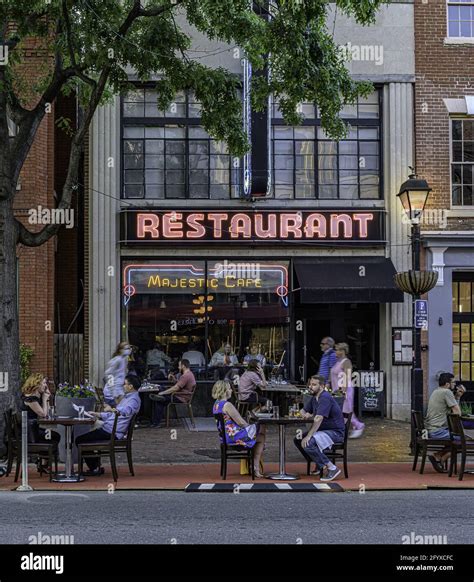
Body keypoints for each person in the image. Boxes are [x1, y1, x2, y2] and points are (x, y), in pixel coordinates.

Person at [75, 375, 141, 476]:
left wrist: (112, 409)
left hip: (112, 432)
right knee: (85, 438)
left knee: (79, 440)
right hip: (108, 428)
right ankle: (95, 467)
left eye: (125, 384)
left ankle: (94, 468)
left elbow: (125, 411)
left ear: (130, 386)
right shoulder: (127, 398)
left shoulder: (134, 400)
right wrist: (98, 414)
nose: (123, 386)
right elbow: (113, 414)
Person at [293, 375, 345, 481]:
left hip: (335, 433)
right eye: (310, 384)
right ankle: (319, 464)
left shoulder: (325, 397)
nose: (310, 387)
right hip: (323, 432)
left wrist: (309, 435)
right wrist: (305, 414)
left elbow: (318, 419)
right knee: (298, 439)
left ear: (321, 386)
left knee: (308, 442)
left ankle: (332, 468)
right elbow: (303, 410)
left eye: (314, 385)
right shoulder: (314, 398)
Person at [212, 380, 266, 478]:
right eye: (229, 388)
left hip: (225, 437)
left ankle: (252, 465)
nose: (231, 391)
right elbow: (241, 422)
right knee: (261, 435)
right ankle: (255, 467)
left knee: (258, 433)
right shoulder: (227, 405)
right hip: (234, 436)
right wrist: (250, 428)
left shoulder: (216, 405)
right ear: (224, 391)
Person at [424, 372, 465, 473]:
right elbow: (456, 412)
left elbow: (451, 407)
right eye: (453, 382)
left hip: (432, 429)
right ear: (447, 384)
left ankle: (438, 456)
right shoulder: (446, 392)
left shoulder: (437, 391)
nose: (455, 385)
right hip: (438, 430)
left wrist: (458, 397)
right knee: (464, 439)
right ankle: (441, 457)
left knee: (459, 438)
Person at [148, 359, 196, 427]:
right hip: (180, 395)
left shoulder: (185, 376)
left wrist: (163, 393)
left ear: (183, 366)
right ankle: (158, 395)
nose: (178, 367)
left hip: (180, 397)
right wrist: (174, 379)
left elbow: (176, 388)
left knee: (158, 401)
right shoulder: (189, 374)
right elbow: (180, 385)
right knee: (161, 391)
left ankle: (156, 423)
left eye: (179, 366)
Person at [331, 342, 365, 439]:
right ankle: (345, 429)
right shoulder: (337, 362)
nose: (335, 352)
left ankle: (358, 426)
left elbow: (347, 376)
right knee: (341, 410)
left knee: (346, 410)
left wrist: (343, 391)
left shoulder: (346, 362)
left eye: (337, 350)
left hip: (345, 389)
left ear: (343, 351)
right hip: (337, 390)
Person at [21, 373, 60, 444]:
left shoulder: (36, 396)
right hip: (30, 433)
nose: (46, 385)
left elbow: (47, 414)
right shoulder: (30, 398)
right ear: (37, 384)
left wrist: (47, 398)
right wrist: (45, 399)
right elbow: (43, 414)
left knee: (55, 436)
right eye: (44, 383)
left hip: (34, 428)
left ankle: (50, 454)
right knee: (55, 436)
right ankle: (47, 453)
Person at [103, 342, 131, 406]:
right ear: (120, 350)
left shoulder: (124, 359)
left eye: (129, 348)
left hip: (119, 391)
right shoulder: (117, 360)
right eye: (126, 348)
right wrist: (114, 392)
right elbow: (108, 374)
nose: (129, 350)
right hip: (113, 394)